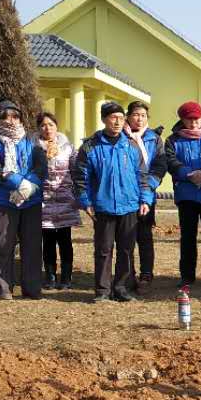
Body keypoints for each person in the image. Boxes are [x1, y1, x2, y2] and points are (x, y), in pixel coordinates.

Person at [73, 100, 152, 303]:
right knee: (103, 250)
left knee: (126, 249)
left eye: (121, 118)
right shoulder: (90, 147)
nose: (117, 122)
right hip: (103, 206)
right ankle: (102, 290)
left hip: (129, 205)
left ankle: (122, 288)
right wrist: (86, 202)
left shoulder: (131, 145)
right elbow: (80, 178)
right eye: (113, 118)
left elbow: (142, 175)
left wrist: (145, 199)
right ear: (103, 119)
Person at [0, 99, 47, 300]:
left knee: (32, 245)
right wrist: (19, 183)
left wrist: (28, 187)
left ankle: (32, 288)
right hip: (4, 200)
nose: (11, 120)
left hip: (31, 200)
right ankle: (3, 288)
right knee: (4, 244)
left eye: (15, 116)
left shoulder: (32, 140)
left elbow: (41, 166)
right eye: (5, 116)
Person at [163, 100, 201, 288]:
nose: (193, 123)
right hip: (186, 194)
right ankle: (187, 275)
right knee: (188, 236)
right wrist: (188, 174)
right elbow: (171, 162)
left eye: (196, 119)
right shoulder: (172, 140)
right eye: (189, 119)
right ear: (182, 120)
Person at [122, 101, 167, 290]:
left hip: (146, 194)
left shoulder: (154, 139)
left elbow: (160, 165)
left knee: (145, 235)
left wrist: (149, 186)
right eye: (135, 115)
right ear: (128, 117)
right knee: (126, 237)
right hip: (124, 194)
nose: (139, 119)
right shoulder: (120, 136)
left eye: (143, 115)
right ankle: (128, 274)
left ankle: (146, 274)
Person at [37, 111, 80, 290]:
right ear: (38, 128)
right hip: (43, 200)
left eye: (51, 125)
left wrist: (77, 194)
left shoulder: (68, 147)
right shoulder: (33, 148)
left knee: (65, 240)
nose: (47, 129)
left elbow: (76, 171)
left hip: (65, 200)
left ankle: (66, 277)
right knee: (47, 241)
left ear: (56, 126)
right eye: (43, 125)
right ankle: (50, 276)